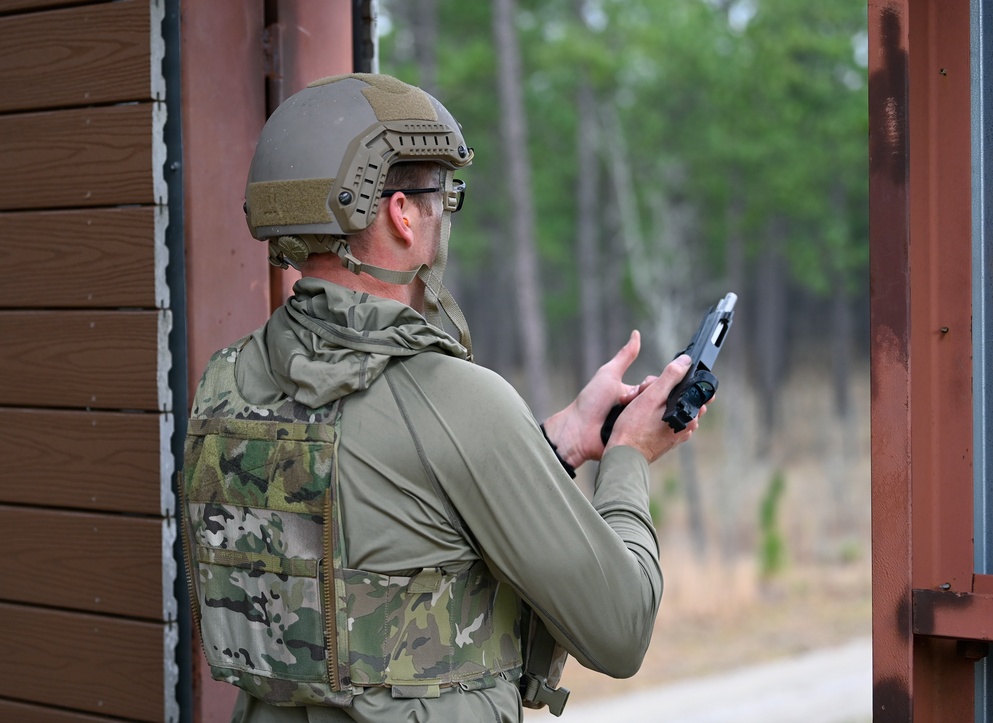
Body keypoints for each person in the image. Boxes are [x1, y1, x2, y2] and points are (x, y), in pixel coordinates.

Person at [180, 73, 705, 723]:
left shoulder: (229, 380)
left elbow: (388, 513)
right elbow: (621, 628)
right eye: (442, 197)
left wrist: (557, 441)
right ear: (402, 214)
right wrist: (626, 455)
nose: (442, 217)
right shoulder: (455, 398)